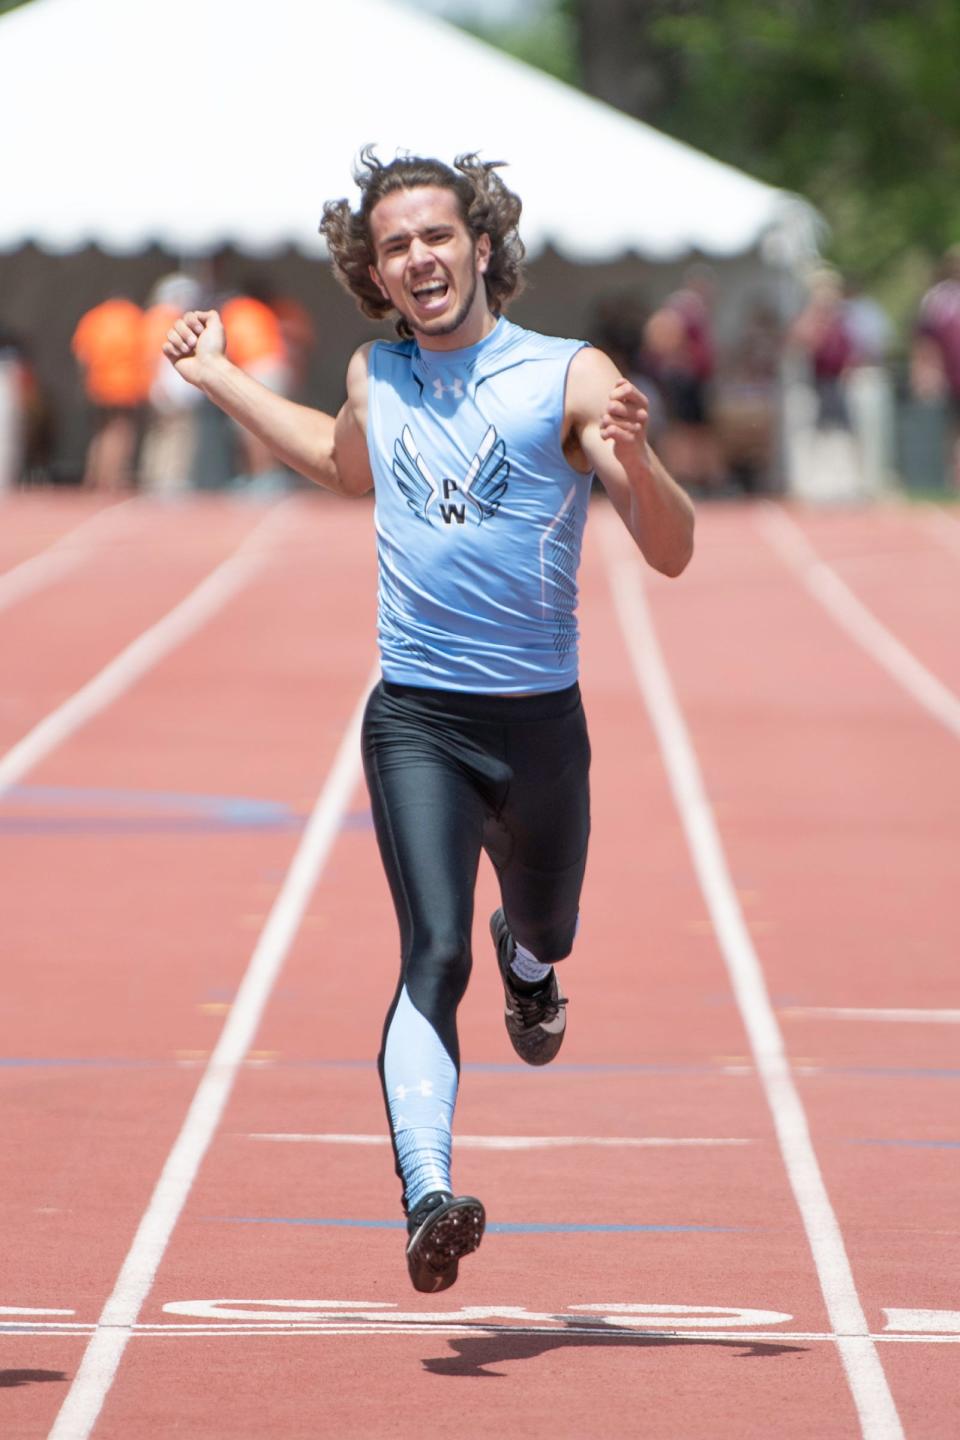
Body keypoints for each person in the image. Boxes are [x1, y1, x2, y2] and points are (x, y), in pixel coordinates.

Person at [163, 150, 694, 1293]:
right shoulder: (377, 374)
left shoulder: (567, 376)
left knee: (543, 929)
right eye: (396, 245)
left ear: (482, 244)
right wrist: (217, 375)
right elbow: (341, 464)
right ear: (377, 270)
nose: (419, 259)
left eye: (436, 237)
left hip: (541, 724)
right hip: (419, 721)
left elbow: (671, 549)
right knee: (432, 951)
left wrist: (643, 469)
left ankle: (532, 959)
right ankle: (427, 1195)